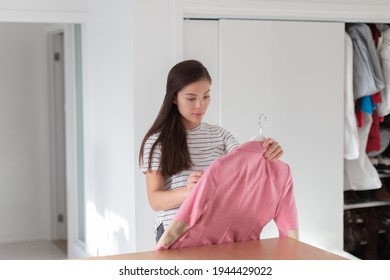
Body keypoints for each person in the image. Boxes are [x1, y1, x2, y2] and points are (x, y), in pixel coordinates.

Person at [139, 60, 284, 242]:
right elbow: (155, 200)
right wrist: (190, 190)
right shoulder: (157, 142)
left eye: (206, 96)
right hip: (176, 235)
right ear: (174, 98)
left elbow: (245, 168)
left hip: (216, 233)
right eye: (191, 98)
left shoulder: (221, 136)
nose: (200, 105)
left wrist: (266, 154)